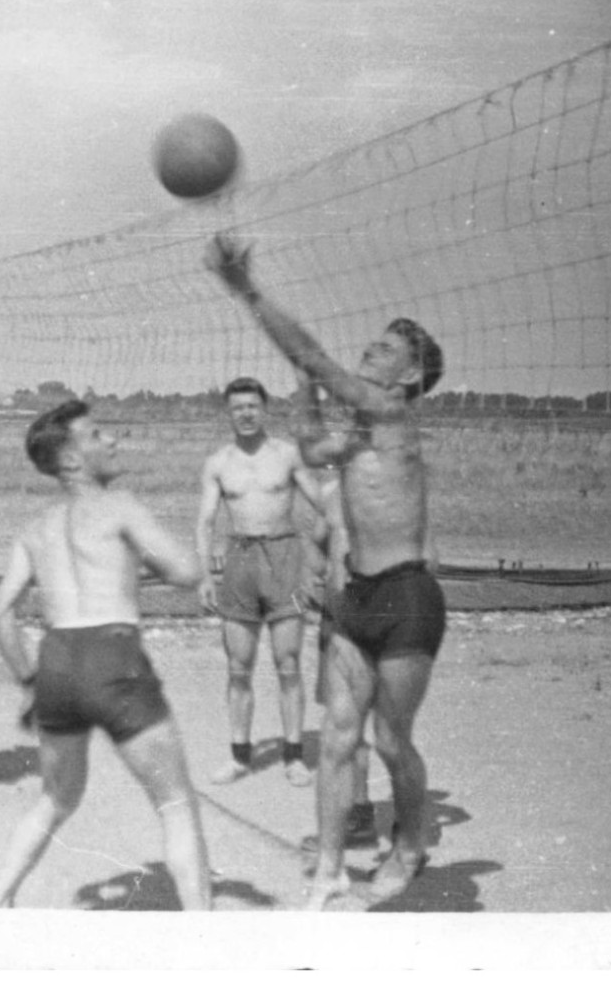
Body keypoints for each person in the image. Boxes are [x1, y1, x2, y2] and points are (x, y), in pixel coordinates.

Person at [204, 233, 445, 908]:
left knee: (391, 741)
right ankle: (333, 865)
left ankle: (408, 843)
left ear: (407, 376)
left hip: (406, 596)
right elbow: (314, 445)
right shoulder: (363, 429)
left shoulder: (391, 412)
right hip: (355, 596)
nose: (372, 349)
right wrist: (308, 392)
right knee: (337, 738)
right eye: (373, 342)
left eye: (387, 349)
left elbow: (307, 349)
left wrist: (247, 290)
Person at [0, 400, 212, 911]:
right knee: (176, 804)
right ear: (69, 460)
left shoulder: (36, 528)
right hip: (112, 655)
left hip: (56, 663)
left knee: (57, 797)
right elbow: (186, 572)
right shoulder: (121, 505)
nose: (111, 441)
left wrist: (28, 680)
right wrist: (141, 562)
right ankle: (206, 937)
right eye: (96, 435)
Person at [196, 377, 323, 788]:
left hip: (284, 557)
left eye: (252, 406)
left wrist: (317, 561)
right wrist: (204, 575)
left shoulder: (287, 455)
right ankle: (239, 755)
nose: (246, 414)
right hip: (240, 562)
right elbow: (205, 522)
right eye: (237, 408)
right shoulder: (218, 462)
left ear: (264, 409)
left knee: (288, 664)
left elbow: (324, 505)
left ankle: (293, 755)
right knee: (238, 666)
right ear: (228, 413)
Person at [301, 469, 377, 852]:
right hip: (336, 617)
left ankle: (395, 832)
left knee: (373, 725)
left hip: (373, 618)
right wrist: (318, 580)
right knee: (341, 718)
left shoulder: (389, 496)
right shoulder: (331, 495)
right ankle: (357, 816)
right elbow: (316, 543)